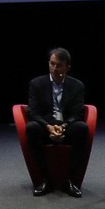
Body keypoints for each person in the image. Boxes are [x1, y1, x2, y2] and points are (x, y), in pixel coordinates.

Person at [26, 47, 88, 198]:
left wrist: (64, 127)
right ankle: (45, 179)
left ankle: (69, 180)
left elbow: (78, 113)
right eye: (52, 64)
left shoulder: (77, 86)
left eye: (59, 65)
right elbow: (33, 112)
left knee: (82, 128)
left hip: (67, 126)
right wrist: (49, 127)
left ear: (67, 67)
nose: (54, 68)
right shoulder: (36, 84)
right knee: (31, 127)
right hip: (45, 126)